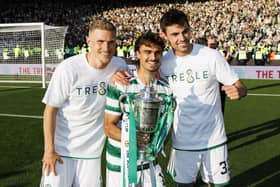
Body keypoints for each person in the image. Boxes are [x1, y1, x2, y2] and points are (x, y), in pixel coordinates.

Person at [159, 9, 247, 187]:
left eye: (185, 31)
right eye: (175, 34)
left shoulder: (211, 56)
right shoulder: (163, 64)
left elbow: (240, 86)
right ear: (164, 36)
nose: (182, 38)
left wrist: (239, 92)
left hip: (214, 139)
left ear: (190, 29)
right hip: (182, 142)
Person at [40, 19, 127, 187]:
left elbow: (140, 76)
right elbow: (50, 110)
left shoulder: (119, 65)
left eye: (110, 42)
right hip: (61, 151)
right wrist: (49, 150)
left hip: (92, 155)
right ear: (88, 41)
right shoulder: (68, 68)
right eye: (100, 42)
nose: (106, 48)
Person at [104, 31, 172, 187]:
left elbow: (166, 126)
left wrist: (156, 143)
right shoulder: (121, 84)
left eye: (157, 53)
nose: (153, 57)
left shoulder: (167, 91)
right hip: (121, 164)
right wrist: (132, 139)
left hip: (150, 163)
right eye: (147, 52)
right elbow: (108, 127)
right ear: (137, 54)